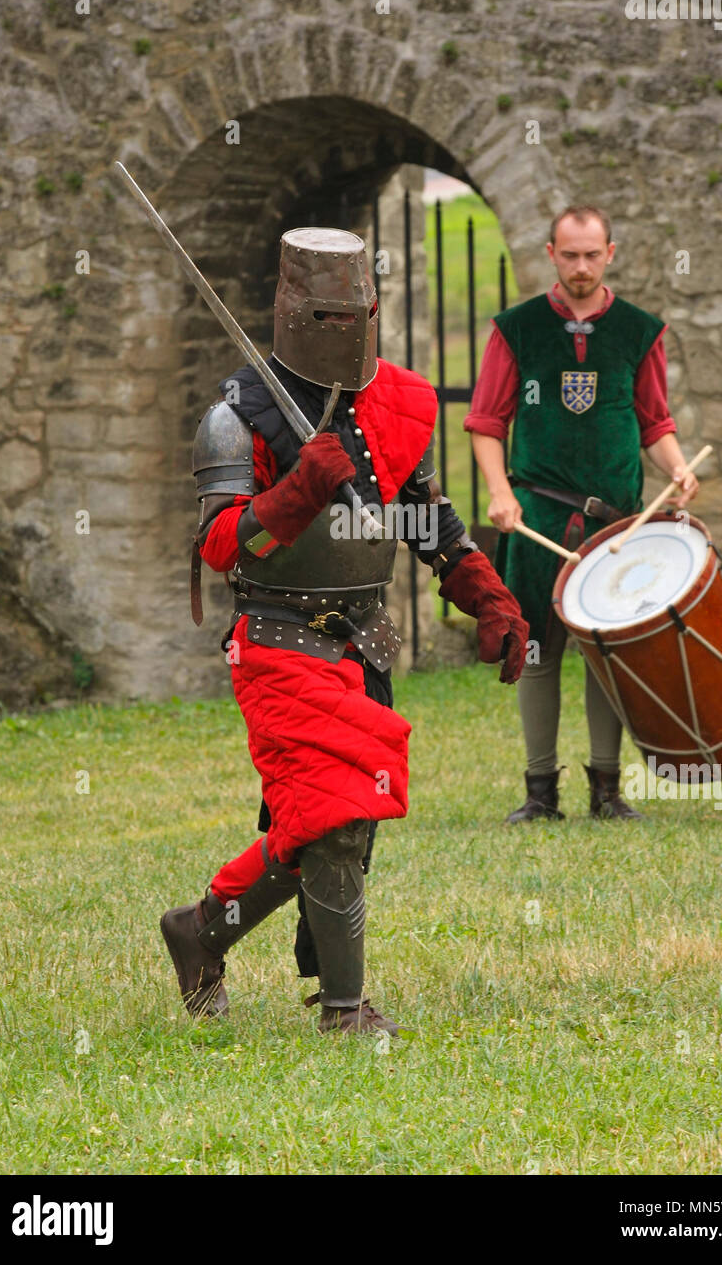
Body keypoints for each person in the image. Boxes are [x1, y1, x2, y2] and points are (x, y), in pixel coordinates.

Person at [161, 226, 529, 1035]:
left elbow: (429, 522)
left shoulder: (393, 404)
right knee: (329, 817)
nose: (348, 329)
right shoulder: (236, 418)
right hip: (279, 638)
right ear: (295, 311)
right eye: (330, 316)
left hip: (365, 642)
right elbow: (226, 545)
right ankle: (344, 1010)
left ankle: (202, 929)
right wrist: (295, 493)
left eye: (359, 312)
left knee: (343, 817)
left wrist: (491, 599)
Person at [466, 205, 699, 823]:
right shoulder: (516, 329)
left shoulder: (638, 330)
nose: (580, 266)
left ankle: (606, 791)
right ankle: (540, 792)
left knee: (606, 651)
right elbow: (487, 423)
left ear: (610, 253)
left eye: (592, 254)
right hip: (539, 516)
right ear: (551, 254)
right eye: (569, 255)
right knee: (538, 650)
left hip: (617, 524)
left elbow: (655, 422)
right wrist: (499, 493)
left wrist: (677, 468)